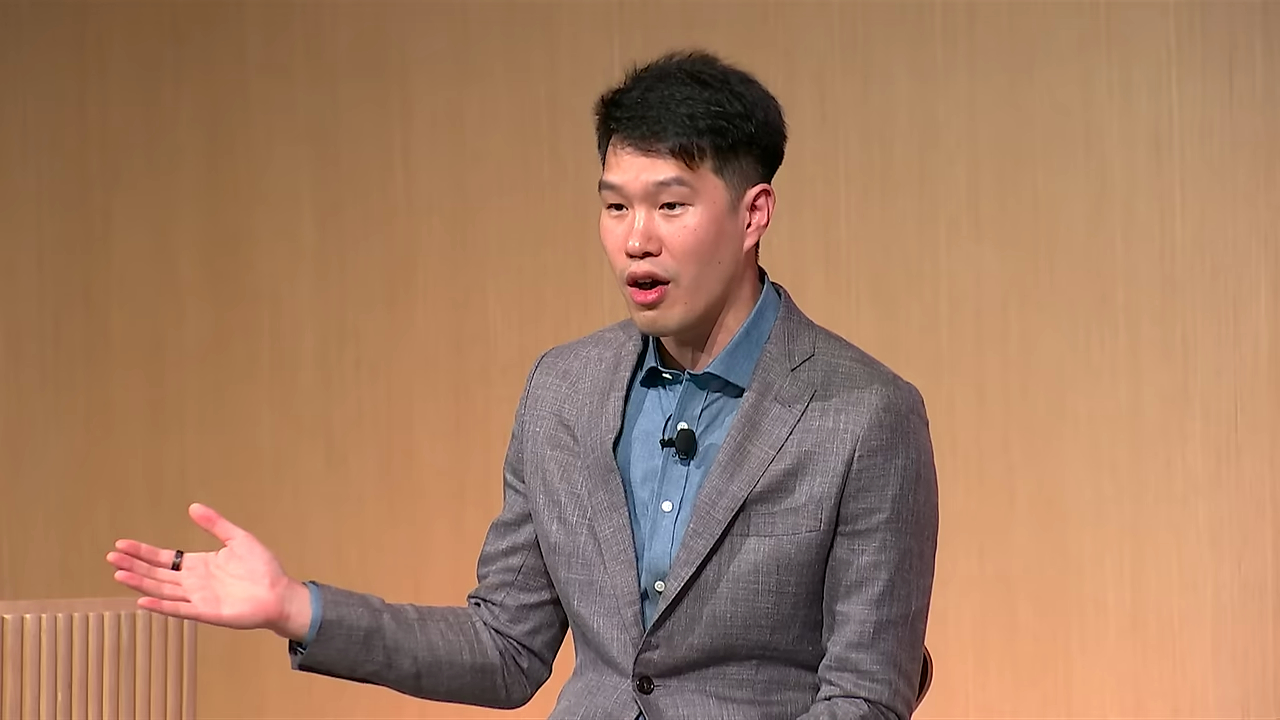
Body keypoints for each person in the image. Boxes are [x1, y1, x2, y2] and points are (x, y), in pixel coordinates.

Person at [107, 49, 939, 720]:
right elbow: (506, 647)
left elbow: (864, 696)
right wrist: (297, 608)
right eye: (615, 207)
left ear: (754, 213)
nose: (636, 240)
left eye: (671, 206)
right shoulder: (565, 390)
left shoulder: (864, 416)